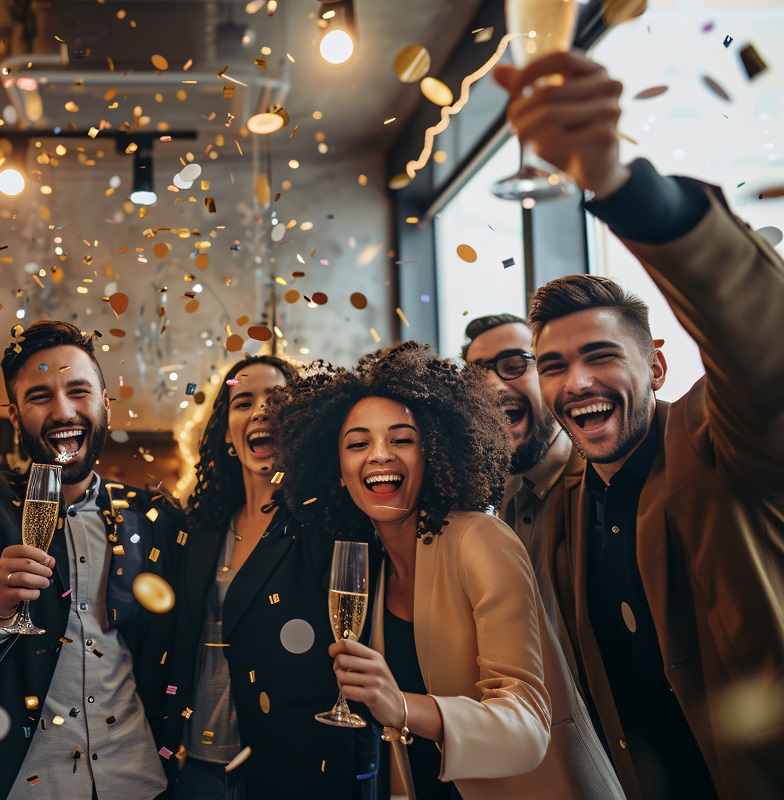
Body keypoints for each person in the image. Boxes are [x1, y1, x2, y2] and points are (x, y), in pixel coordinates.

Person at [498, 50, 784, 800]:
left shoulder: (724, 444)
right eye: (553, 365)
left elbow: (763, 343)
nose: (576, 381)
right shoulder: (564, 506)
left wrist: (624, 187)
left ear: (656, 368)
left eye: (600, 356)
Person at [271, 341, 620, 799]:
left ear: (433, 453)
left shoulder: (480, 540)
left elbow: (527, 727)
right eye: (358, 444)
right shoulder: (371, 567)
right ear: (338, 469)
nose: (379, 455)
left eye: (401, 439)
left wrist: (401, 706)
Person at [0, 320, 184, 800]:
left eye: (78, 391)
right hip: (19, 783)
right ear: (17, 415)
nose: (63, 411)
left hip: (138, 779)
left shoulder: (154, 515)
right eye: (40, 396)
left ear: (105, 403)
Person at [164, 355, 380, 799]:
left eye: (278, 400)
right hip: (194, 767)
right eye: (243, 402)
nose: (261, 410)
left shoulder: (328, 524)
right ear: (226, 431)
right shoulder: (199, 530)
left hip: (290, 767)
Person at [462, 316, 623, 797]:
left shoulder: (601, 483)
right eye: (476, 376)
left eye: (514, 365)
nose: (492, 385)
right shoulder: (491, 509)